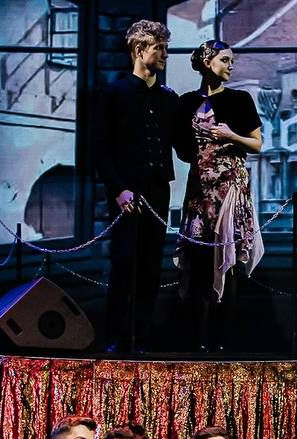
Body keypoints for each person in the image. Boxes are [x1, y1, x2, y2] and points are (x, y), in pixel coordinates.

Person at [93, 20, 184, 353]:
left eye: (165, 48)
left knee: (150, 265)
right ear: (139, 49)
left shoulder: (169, 98)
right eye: (159, 48)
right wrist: (118, 189)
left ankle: (142, 336)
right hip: (127, 193)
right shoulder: (113, 94)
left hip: (158, 191)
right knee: (123, 263)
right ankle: (116, 335)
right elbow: (100, 148)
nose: (164, 55)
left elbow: (183, 146)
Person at [175, 41, 264, 353]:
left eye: (231, 60)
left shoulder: (239, 99)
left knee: (227, 260)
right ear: (207, 61)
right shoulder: (187, 102)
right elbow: (182, 147)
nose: (230, 65)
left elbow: (257, 144)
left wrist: (231, 136)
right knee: (198, 260)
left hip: (229, 187)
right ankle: (197, 339)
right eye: (225, 60)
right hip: (200, 187)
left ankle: (223, 339)